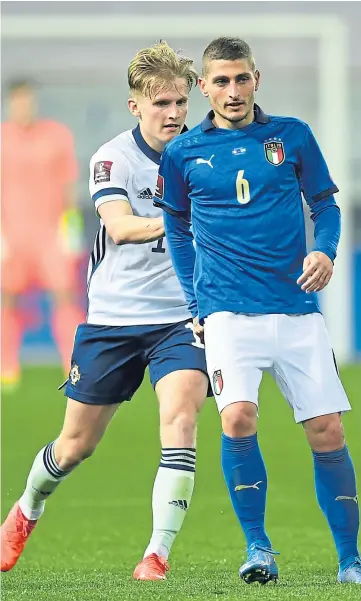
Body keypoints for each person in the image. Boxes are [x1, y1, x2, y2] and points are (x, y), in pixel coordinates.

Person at [154, 37, 360, 585]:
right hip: (226, 310)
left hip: (294, 305)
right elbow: (176, 225)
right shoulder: (183, 153)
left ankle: (350, 559)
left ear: (256, 79)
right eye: (220, 81)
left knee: (327, 430)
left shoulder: (291, 136)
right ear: (204, 87)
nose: (232, 90)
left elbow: (326, 205)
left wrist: (326, 248)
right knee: (237, 417)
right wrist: (196, 299)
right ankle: (258, 547)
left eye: (241, 78)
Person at [1, 42, 209, 580]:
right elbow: (119, 226)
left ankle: (156, 554)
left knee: (182, 414)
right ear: (134, 105)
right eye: (161, 102)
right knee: (75, 446)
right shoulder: (112, 157)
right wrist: (190, 221)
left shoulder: (207, 156)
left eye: (181, 102)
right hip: (114, 319)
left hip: (178, 319)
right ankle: (26, 508)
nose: (173, 113)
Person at [1, 80, 84, 390]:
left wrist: (70, 229)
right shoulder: (3, 139)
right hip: (12, 233)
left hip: (49, 234)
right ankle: (6, 365)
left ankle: (73, 361)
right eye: (18, 101)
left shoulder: (56, 136)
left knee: (64, 296)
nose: (24, 107)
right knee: (8, 299)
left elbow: (68, 185)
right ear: (11, 103)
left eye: (28, 101)